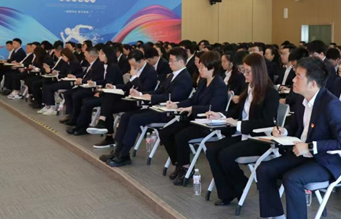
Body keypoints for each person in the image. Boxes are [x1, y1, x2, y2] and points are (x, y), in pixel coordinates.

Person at [253, 57, 341, 219]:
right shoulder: (300, 99)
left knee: (293, 179)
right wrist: (284, 131)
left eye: (298, 76)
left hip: (327, 161)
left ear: (313, 84)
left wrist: (311, 146)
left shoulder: (330, 104)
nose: (293, 80)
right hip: (304, 155)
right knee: (264, 169)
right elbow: (297, 126)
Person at [203, 53, 280, 204]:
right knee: (211, 149)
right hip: (244, 135)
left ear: (258, 71)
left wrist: (238, 124)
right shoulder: (249, 87)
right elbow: (237, 112)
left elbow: (265, 122)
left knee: (225, 155)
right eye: (243, 70)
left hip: (259, 139)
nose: (245, 74)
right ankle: (226, 193)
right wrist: (220, 115)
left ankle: (240, 185)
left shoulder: (270, 92)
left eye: (248, 71)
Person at [98, 47, 193, 167]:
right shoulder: (172, 76)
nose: (169, 63)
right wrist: (141, 94)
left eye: (171, 61)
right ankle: (118, 150)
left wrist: (151, 98)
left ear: (181, 61)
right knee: (126, 116)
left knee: (135, 119)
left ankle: (124, 154)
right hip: (158, 108)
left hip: (168, 112)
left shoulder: (185, 78)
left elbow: (173, 97)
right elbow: (159, 91)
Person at [159, 51, 229, 184]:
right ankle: (179, 163)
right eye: (199, 67)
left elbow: (214, 108)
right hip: (195, 119)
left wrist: (192, 109)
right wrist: (177, 104)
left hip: (208, 124)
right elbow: (193, 100)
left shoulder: (219, 85)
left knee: (181, 136)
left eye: (202, 67)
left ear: (212, 68)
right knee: (165, 132)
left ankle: (185, 168)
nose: (199, 69)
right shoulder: (203, 82)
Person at [86, 49, 159, 148]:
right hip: (129, 99)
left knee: (107, 105)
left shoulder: (150, 72)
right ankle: (104, 127)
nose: (132, 67)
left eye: (134, 65)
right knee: (108, 98)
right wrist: (114, 87)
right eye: (131, 65)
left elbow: (145, 90)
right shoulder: (136, 69)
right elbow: (127, 86)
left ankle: (105, 128)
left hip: (139, 103)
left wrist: (134, 77)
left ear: (142, 61)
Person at [66, 46, 124, 135]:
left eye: (101, 54)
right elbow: (105, 81)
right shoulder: (108, 66)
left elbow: (110, 83)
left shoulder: (113, 67)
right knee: (85, 101)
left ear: (107, 55)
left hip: (113, 96)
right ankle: (81, 126)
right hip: (106, 94)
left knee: (87, 103)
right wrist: (95, 83)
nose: (99, 55)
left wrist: (99, 92)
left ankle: (82, 127)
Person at [56, 48, 105, 121]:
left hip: (91, 88)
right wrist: (75, 77)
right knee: (67, 93)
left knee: (76, 95)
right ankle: (70, 115)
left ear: (92, 56)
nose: (85, 57)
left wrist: (82, 81)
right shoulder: (90, 64)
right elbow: (84, 74)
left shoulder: (98, 65)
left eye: (86, 56)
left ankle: (75, 118)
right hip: (84, 85)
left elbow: (94, 78)